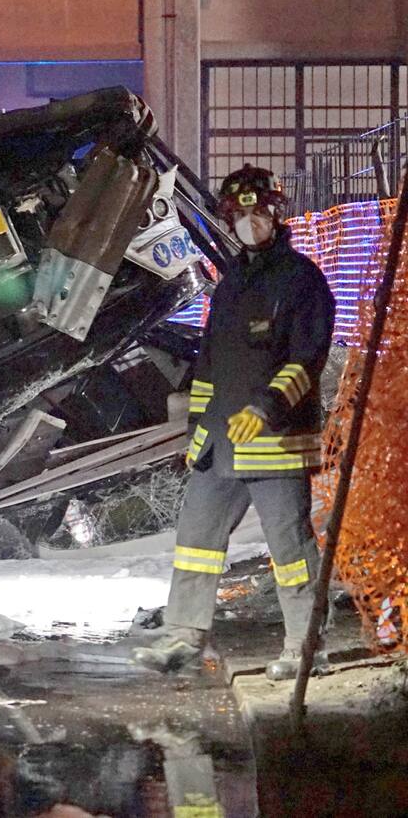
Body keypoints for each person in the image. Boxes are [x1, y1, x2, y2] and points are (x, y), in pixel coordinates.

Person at [132, 164, 335, 681]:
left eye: (256, 210)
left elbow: (306, 360)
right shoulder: (231, 284)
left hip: (277, 443)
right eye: (239, 213)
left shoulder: (302, 281)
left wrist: (265, 409)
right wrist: (198, 432)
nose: (249, 221)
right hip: (220, 445)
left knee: (290, 550)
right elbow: (210, 366)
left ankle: (305, 646)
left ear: (275, 211)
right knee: (195, 542)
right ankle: (183, 635)